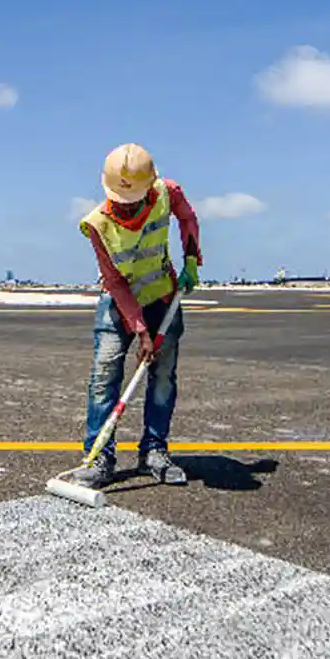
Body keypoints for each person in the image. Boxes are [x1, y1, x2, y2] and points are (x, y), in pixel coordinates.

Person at [66, 143, 203, 488]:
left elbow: (187, 216)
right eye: (121, 203)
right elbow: (114, 281)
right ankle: (99, 458)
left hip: (163, 297)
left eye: (134, 202)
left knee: (162, 378)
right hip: (118, 303)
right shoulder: (96, 224)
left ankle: (154, 452)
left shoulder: (165, 192)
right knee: (104, 377)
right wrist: (141, 331)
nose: (127, 210)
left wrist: (190, 257)